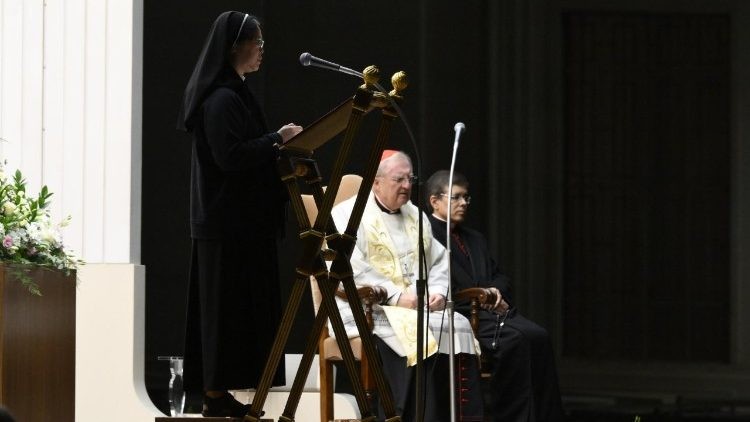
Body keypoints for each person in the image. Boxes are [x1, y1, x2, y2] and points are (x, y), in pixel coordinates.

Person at [176, 11, 302, 417]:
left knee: (235, 312)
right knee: (222, 313)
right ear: (236, 47)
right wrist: (277, 140)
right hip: (226, 224)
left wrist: (273, 143)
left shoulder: (236, 91)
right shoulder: (221, 99)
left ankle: (220, 393)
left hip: (240, 223)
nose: (263, 50)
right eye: (258, 43)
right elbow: (230, 157)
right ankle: (213, 395)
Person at [330, 151, 484, 422]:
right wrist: (398, 297)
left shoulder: (416, 216)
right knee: (415, 333)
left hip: (418, 307)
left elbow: (438, 261)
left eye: (409, 179)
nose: (406, 186)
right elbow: (349, 267)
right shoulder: (347, 215)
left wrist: (436, 292)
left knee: (457, 324)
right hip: (367, 308)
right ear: (376, 182)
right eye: (398, 179)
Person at [426, 170, 565, 422]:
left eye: (466, 198)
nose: (463, 203)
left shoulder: (475, 238)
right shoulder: (427, 237)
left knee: (539, 336)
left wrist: (495, 291)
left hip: (492, 313)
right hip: (464, 316)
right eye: (456, 198)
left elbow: (499, 275)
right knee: (517, 340)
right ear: (434, 201)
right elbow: (441, 286)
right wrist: (483, 295)